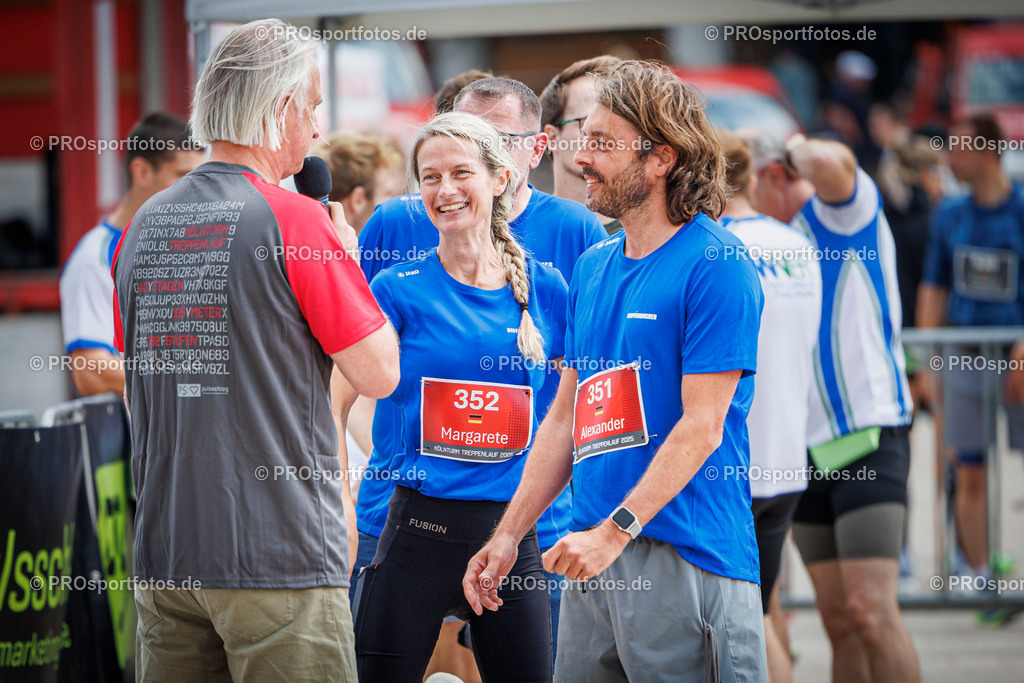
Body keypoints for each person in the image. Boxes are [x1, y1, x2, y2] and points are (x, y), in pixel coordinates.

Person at [110, 19, 400, 681]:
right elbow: (379, 371)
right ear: (280, 109)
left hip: (166, 553)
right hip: (281, 558)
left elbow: (139, 386)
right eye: (314, 107)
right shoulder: (296, 219)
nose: (319, 128)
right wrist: (348, 259)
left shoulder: (143, 224)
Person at [464, 60, 767, 682]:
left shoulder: (716, 264)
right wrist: (508, 536)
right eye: (585, 139)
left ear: (661, 159)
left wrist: (615, 531)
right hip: (589, 557)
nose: (582, 158)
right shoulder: (595, 266)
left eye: (603, 143)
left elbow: (702, 428)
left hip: (682, 552)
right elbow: (564, 420)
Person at [351, 76, 606, 658]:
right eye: (431, 176)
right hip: (408, 518)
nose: (445, 188)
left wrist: (602, 520)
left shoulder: (555, 275)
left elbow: (578, 410)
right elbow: (344, 391)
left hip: (524, 527)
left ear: (503, 175)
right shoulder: (396, 268)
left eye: (463, 169)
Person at [744, 127, 919, 682]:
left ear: (774, 176)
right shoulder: (750, 237)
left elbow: (828, 159)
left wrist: (780, 145)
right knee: (838, 619)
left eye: (747, 181)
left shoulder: (842, 213)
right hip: (803, 450)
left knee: (872, 612)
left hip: (867, 434)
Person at [719, 128, 822, 683]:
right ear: (753, 178)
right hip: (786, 456)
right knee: (761, 609)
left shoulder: (713, 248)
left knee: (743, 623)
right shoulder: (799, 246)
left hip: (732, 461)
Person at [917, 113, 1024, 603]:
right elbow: (933, 288)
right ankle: (983, 581)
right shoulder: (949, 214)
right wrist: (926, 362)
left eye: (958, 148)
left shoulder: (1020, 207)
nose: (949, 159)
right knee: (969, 466)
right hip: (964, 352)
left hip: (1017, 351)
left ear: (986, 151)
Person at [60, 112, 203, 397]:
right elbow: (90, 371)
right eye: (183, 176)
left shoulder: (186, 246)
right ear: (142, 172)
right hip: (129, 438)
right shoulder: (95, 257)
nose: (195, 190)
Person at [539, 55, 623, 234]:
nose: (608, 135)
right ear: (552, 138)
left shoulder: (649, 239)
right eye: (587, 123)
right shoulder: (520, 235)